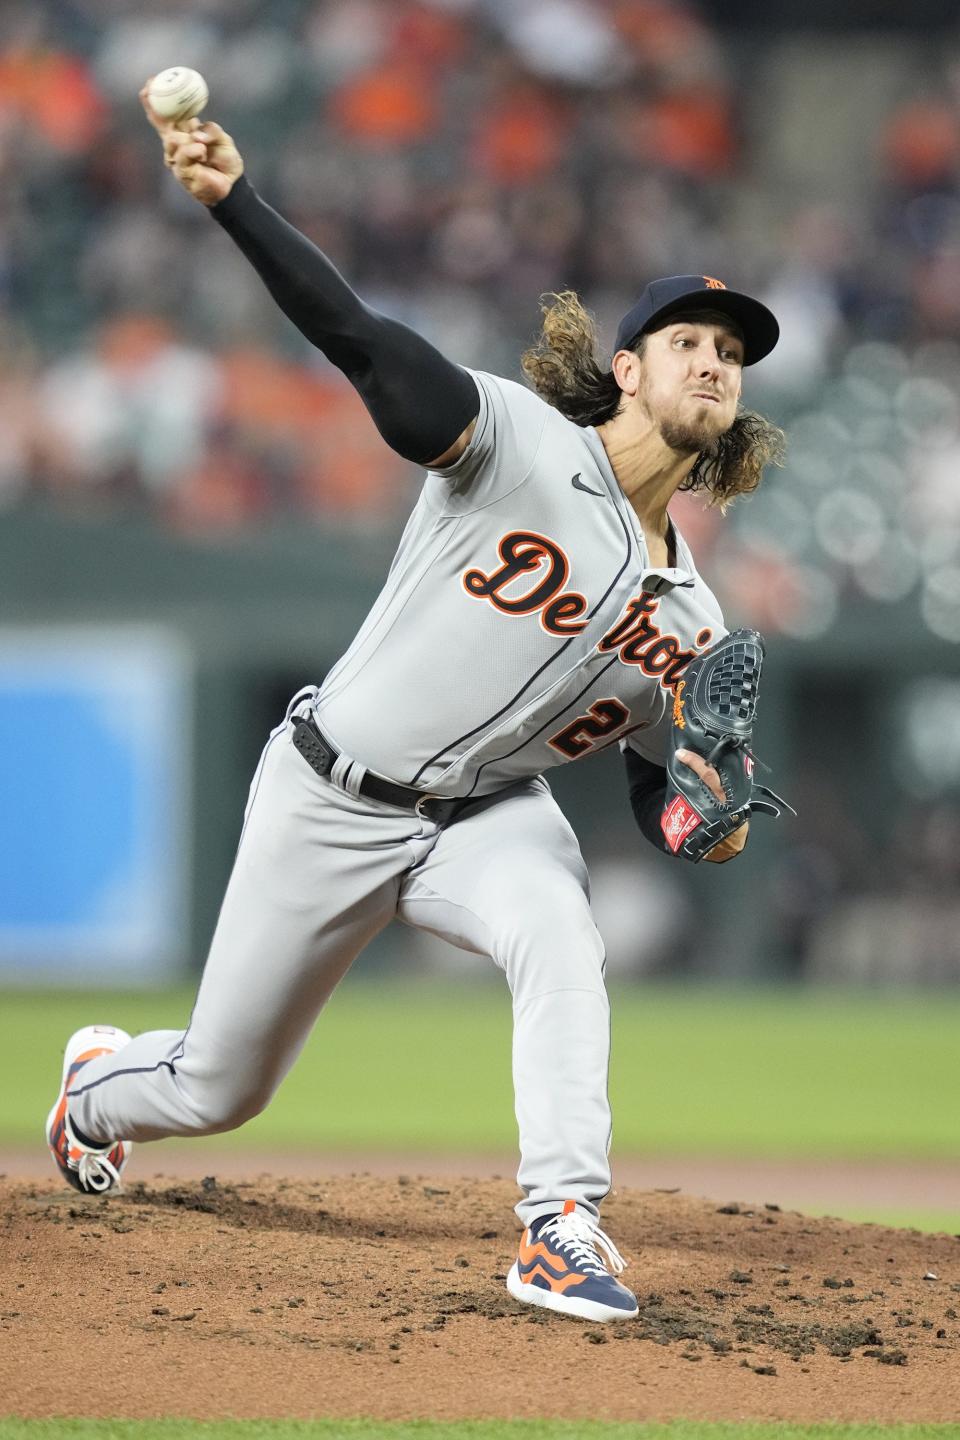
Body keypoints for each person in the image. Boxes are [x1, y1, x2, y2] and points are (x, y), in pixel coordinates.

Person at [45, 85, 785, 1327]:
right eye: (688, 340)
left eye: (733, 351)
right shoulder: (515, 437)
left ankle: (561, 1224)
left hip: (487, 818)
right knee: (221, 1088)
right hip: (329, 792)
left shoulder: (695, 624)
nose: (714, 359)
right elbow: (357, 334)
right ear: (627, 367)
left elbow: (682, 796)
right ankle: (97, 1090)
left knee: (560, 934)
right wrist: (236, 201)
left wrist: (708, 811)